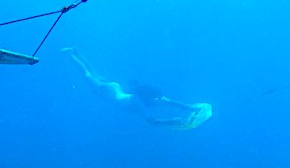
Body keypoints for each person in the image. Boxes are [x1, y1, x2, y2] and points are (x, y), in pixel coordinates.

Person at [63, 48, 213, 130]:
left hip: (115, 91)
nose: (158, 100)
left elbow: (163, 105)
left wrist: (185, 111)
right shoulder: (139, 104)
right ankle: (72, 54)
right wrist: (171, 121)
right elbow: (152, 121)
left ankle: (75, 52)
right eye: (155, 99)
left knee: (93, 73)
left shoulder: (146, 99)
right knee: (89, 74)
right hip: (109, 92)